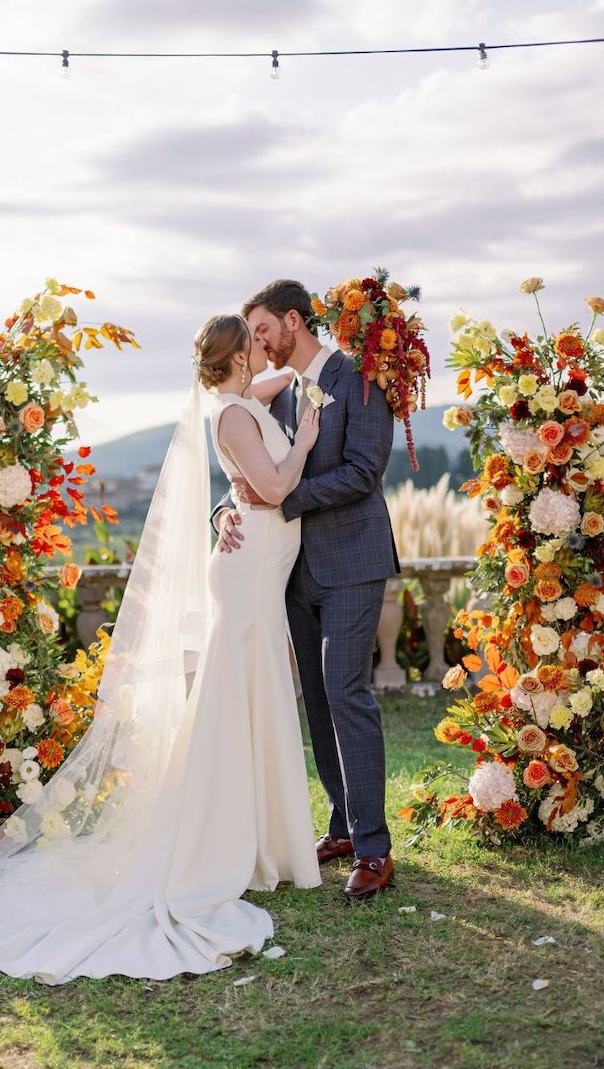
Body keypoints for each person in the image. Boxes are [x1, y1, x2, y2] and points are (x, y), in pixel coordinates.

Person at [0, 314, 322, 983]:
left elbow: (279, 380)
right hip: (249, 575)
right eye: (253, 342)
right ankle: (223, 843)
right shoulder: (232, 417)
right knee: (235, 703)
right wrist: (306, 437)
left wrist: (300, 377)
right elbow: (277, 488)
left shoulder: (243, 401)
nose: (265, 346)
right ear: (234, 358)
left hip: (259, 567)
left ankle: (263, 844)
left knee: (254, 701)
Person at [214, 280, 399, 900]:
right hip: (293, 572)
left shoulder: (361, 378)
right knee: (316, 699)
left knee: (347, 694)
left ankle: (374, 848)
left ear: (294, 320)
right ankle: (343, 826)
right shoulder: (283, 392)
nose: (257, 342)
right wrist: (225, 512)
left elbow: (363, 472)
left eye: (263, 329)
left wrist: (283, 500)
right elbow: (248, 464)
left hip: (351, 560)